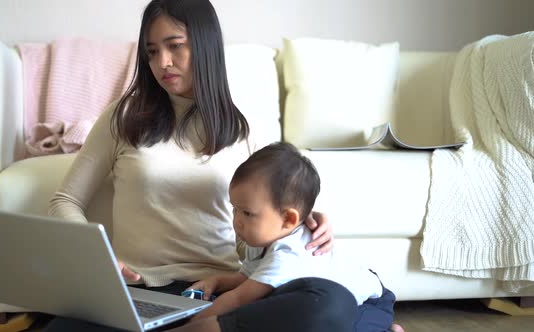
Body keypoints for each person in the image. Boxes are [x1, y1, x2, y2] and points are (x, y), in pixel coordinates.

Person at [47, 0, 343, 330]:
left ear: (204, 45)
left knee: (327, 301)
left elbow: (277, 207)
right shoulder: (124, 116)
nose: (163, 62)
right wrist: (98, 258)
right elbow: (65, 201)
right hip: (136, 291)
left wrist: (309, 222)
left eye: (175, 46)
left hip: (217, 293)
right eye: (152, 51)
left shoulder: (245, 125)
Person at [168, 142, 404, 332]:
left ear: (289, 220)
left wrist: (192, 324)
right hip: (307, 292)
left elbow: (239, 298)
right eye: (235, 209)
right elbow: (247, 278)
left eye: (248, 213)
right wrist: (217, 281)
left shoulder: (288, 254)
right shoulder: (260, 239)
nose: (237, 221)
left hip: (368, 301)